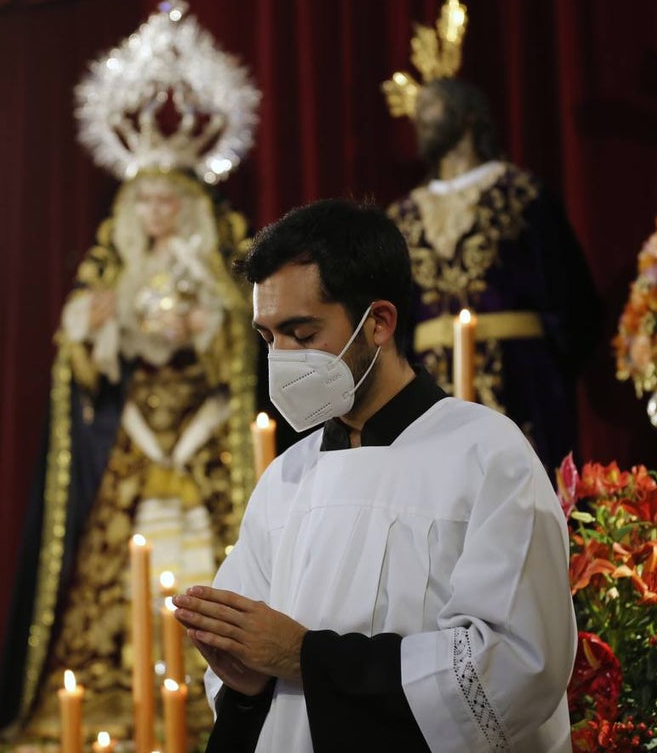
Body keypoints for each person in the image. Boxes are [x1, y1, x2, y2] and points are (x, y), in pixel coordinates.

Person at [171, 198, 577, 752]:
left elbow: (513, 667)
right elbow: (248, 677)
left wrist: (304, 657)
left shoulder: (486, 455)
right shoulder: (285, 478)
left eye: (302, 334)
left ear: (379, 322)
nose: (281, 359)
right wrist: (245, 683)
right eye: (268, 338)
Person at [0, 169, 256, 738]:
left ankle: (206, 682)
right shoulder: (122, 273)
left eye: (167, 201)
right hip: (137, 429)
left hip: (202, 429)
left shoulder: (208, 270)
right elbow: (91, 369)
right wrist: (91, 331)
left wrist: (206, 326)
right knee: (118, 555)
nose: (155, 211)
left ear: (187, 207)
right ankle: (123, 684)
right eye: (146, 201)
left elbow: (237, 353)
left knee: (213, 543)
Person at [387, 77, 602, 472]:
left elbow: (572, 300)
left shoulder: (522, 194)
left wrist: (546, 372)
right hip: (431, 390)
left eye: (432, 105)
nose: (420, 115)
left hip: (520, 384)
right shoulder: (402, 216)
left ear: (468, 115)